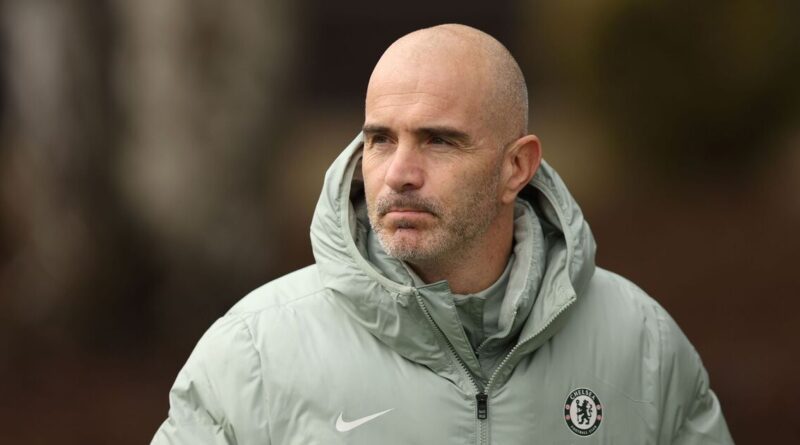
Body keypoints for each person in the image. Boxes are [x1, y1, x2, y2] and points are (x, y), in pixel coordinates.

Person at [151, 24, 733, 444]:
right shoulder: (252, 355)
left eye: (438, 140)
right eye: (381, 139)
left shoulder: (643, 347)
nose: (399, 173)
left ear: (516, 168)